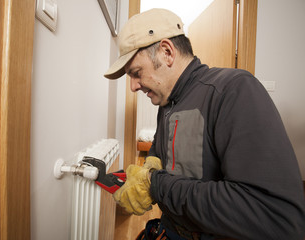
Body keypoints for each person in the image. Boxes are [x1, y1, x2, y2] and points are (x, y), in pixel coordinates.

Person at [104, 8, 305, 240]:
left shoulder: (235, 90)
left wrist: (155, 184)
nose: (133, 87)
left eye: (136, 73)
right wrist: (151, 167)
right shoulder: (167, 103)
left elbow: (276, 217)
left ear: (167, 52)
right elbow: (162, 161)